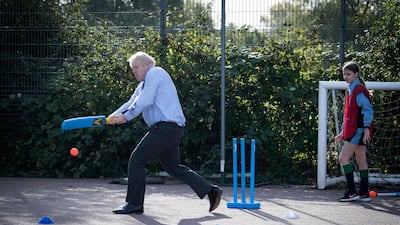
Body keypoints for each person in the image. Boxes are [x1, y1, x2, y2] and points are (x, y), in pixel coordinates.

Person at [107, 51, 223, 214]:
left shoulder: (155, 73)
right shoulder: (143, 84)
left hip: (166, 129)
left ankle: (134, 204)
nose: (134, 71)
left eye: (136, 67)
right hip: (169, 130)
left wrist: (125, 118)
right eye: (132, 68)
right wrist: (110, 117)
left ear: (147, 65)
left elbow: (144, 102)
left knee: (137, 160)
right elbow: (131, 102)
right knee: (173, 168)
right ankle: (211, 191)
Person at [335, 61, 373, 202]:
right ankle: (363, 193)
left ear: (356, 74)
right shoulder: (351, 89)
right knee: (361, 159)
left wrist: (366, 129)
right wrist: (342, 132)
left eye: (348, 74)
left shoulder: (358, 91)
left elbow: (367, 111)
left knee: (343, 158)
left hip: (358, 131)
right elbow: (349, 115)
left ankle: (351, 192)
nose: (345, 76)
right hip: (355, 130)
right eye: (344, 74)